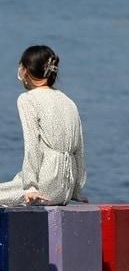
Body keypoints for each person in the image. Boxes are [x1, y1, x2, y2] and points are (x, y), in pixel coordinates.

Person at [0, 46, 86, 207]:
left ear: (25, 71)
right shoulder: (68, 101)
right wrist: (76, 191)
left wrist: (30, 188)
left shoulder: (28, 99)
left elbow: (32, 145)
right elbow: (79, 149)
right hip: (65, 189)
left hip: (44, 186)